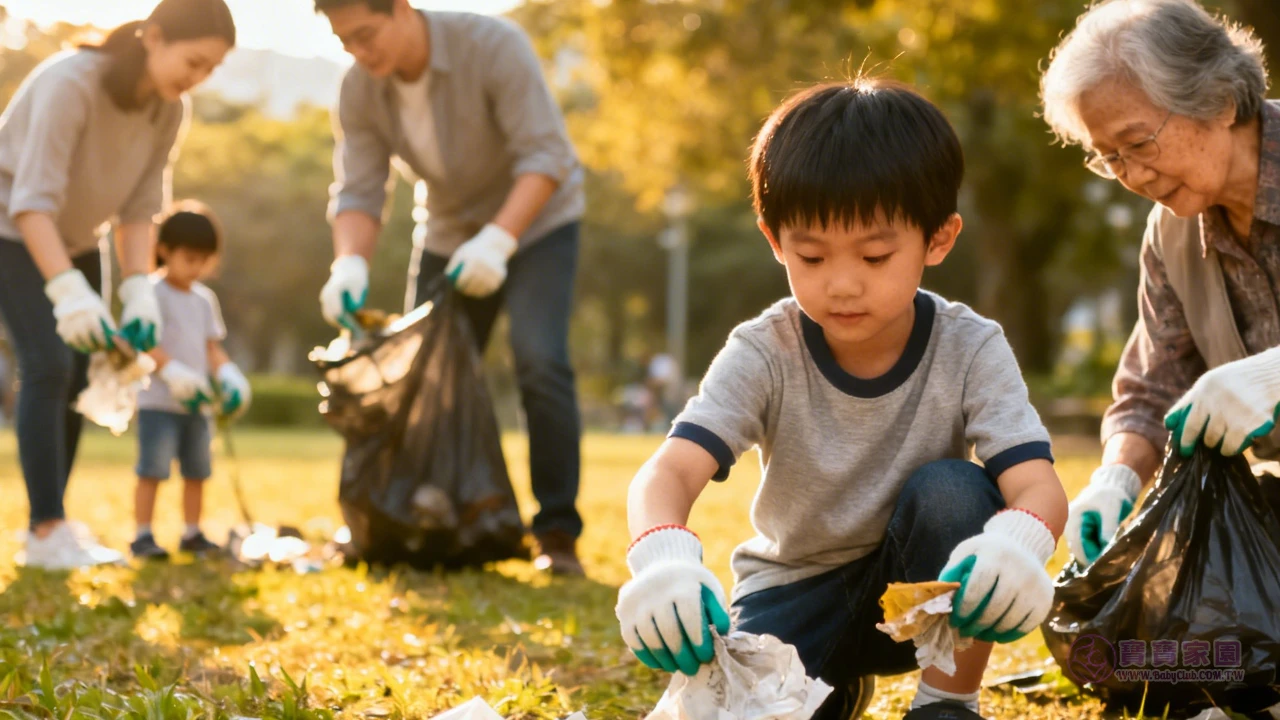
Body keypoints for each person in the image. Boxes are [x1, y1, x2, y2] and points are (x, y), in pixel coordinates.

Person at [614, 78, 1069, 720]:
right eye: (812, 255)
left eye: (876, 255)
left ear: (937, 240)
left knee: (954, 491)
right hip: (795, 588)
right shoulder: (766, 348)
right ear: (775, 241)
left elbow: (1037, 485)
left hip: (924, 591)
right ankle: (838, 686)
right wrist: (662, 560)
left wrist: (1020, 543)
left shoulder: (970, 346)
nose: (843, 284)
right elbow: (669, 469)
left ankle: (948, 700)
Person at [314, 0, 587, 575]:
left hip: (539, 222)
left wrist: (498, 242)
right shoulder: (360, 89)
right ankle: (426, 519)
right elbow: (360, 189)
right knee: (420, 378)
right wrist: (348, 265)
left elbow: (547, 154)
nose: (361, 54)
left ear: (403, 9)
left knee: (540, 361)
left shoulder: (492, 47)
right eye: (346, 43)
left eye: (367, 34)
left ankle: (557, 533)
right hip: (447, 228)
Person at [1039, 0, 1280, 566]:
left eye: (1139, 143)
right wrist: (1116, 480)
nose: (1134, 176)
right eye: (1111, 159)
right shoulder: (1171, 231)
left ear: (1219, 101)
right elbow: (1154, 384)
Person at [0, 0, 235, 570]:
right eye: (194, 61)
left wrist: (137, 287)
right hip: (10, 228)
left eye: (210, 71)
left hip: (80, 240)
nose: (196, 79)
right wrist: (66, 291)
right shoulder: (69, 83)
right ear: (153, 37)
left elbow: (139, 207)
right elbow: (31, 203)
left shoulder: (169, 110)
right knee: (49, 363)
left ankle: (54, 528)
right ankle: (45, 529)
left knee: (83, 370)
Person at [130, 202, 250, 561]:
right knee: (152, 470)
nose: (197, 267)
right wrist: (171, 370)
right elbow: (144, 342)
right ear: (165, 250)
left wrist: (228, 374)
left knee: (198, 471)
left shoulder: (203, 300)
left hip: (196, 405)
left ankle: (192, 532)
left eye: (204, 259)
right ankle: (142, 534)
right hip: (158, 403)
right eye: (189, 258)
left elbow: (211, 347)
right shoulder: (151, 293)